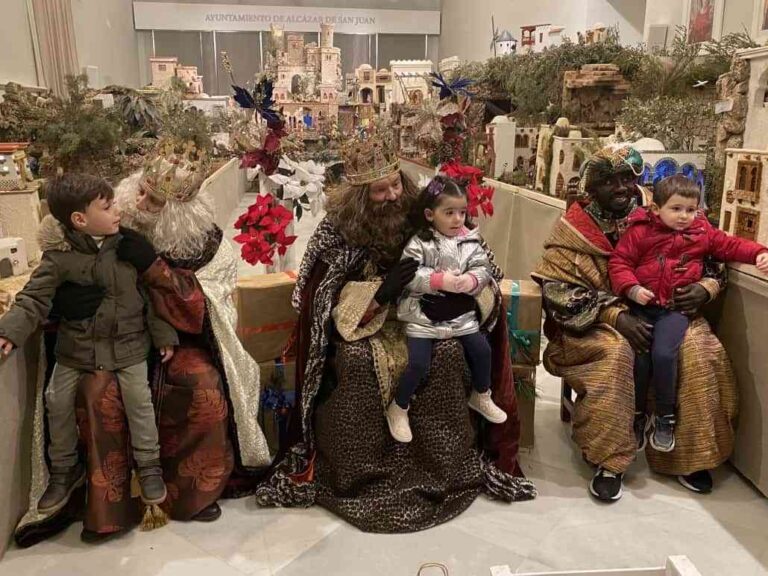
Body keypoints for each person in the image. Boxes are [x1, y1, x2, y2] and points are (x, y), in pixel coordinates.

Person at [255, 127, 535, 532]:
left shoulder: (426, 209)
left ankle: (442, 469)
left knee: (450, 353)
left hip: (429, 313)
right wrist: (381, 292)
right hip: (366, 324)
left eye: (395, 186)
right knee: (355, 363)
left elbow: (483, 265)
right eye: (380, 191)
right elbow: (314, 298)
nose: (392, 197)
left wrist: (462, 295)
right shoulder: (338, 228)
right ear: (359, 196)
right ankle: (360, 475)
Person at [14, 151, 271, 545]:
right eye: (142, 192)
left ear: (179, 213)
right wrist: (65, 300)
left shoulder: (206, 243)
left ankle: (191, 492)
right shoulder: (94, 223)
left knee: (201, 383)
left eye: (155, 202)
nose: (140, 206)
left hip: (176, 338)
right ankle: (107, 507)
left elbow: (208, 305)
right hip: (103, 338)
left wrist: (156, 270)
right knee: (97, 392)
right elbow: (53, 270)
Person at [533, 145, 738, 502]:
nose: (620, 188)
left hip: (667, 311)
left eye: (627, 178)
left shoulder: (664, 210)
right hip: (595, 323)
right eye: (608, 181)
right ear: (590, 188)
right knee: (615, 355)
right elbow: (558, 291)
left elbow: (712, 252)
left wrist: (706, 287)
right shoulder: (574, 232)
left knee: (699, 349)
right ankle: (610, 458)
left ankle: (688, 454)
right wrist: (614, 314)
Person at [0, 174, 176, 521]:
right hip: (76, 350)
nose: (117, 212)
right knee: (56, 399)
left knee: (138, 400)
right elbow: (33, 298)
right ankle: (64, 471)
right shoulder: (59, 258)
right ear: (79, 219)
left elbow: (151, 298)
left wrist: (163, 334)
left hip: (128, 346)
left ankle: (149, 465)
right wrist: (11, 331)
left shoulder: (128, 247)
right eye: (107, 207)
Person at [609, 175, 768, 452]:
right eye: (676, 209)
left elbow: (730, 245)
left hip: (674, 309)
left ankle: (665, 415)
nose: (684, 216)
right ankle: (636, 414)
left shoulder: (702, 233)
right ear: (656, 209)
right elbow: (620, 262)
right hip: (642, 308)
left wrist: (759, 252)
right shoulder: (640, 231)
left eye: (691, 210)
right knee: (640, 356)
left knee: (664, 354)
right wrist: (632, 289)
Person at [388, 175, 506, 443]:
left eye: (462, 212)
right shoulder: (419, 243)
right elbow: (410, 275)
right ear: (430, 214)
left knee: (482, 350)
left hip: (459, 314)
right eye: (449, 213)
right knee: (418, 362)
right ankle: (399, 406)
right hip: (422, 314)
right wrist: (439, 280)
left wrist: (471, 280)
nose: (457, 220)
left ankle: (481, 394)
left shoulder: (471, 241)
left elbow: (483, 269)